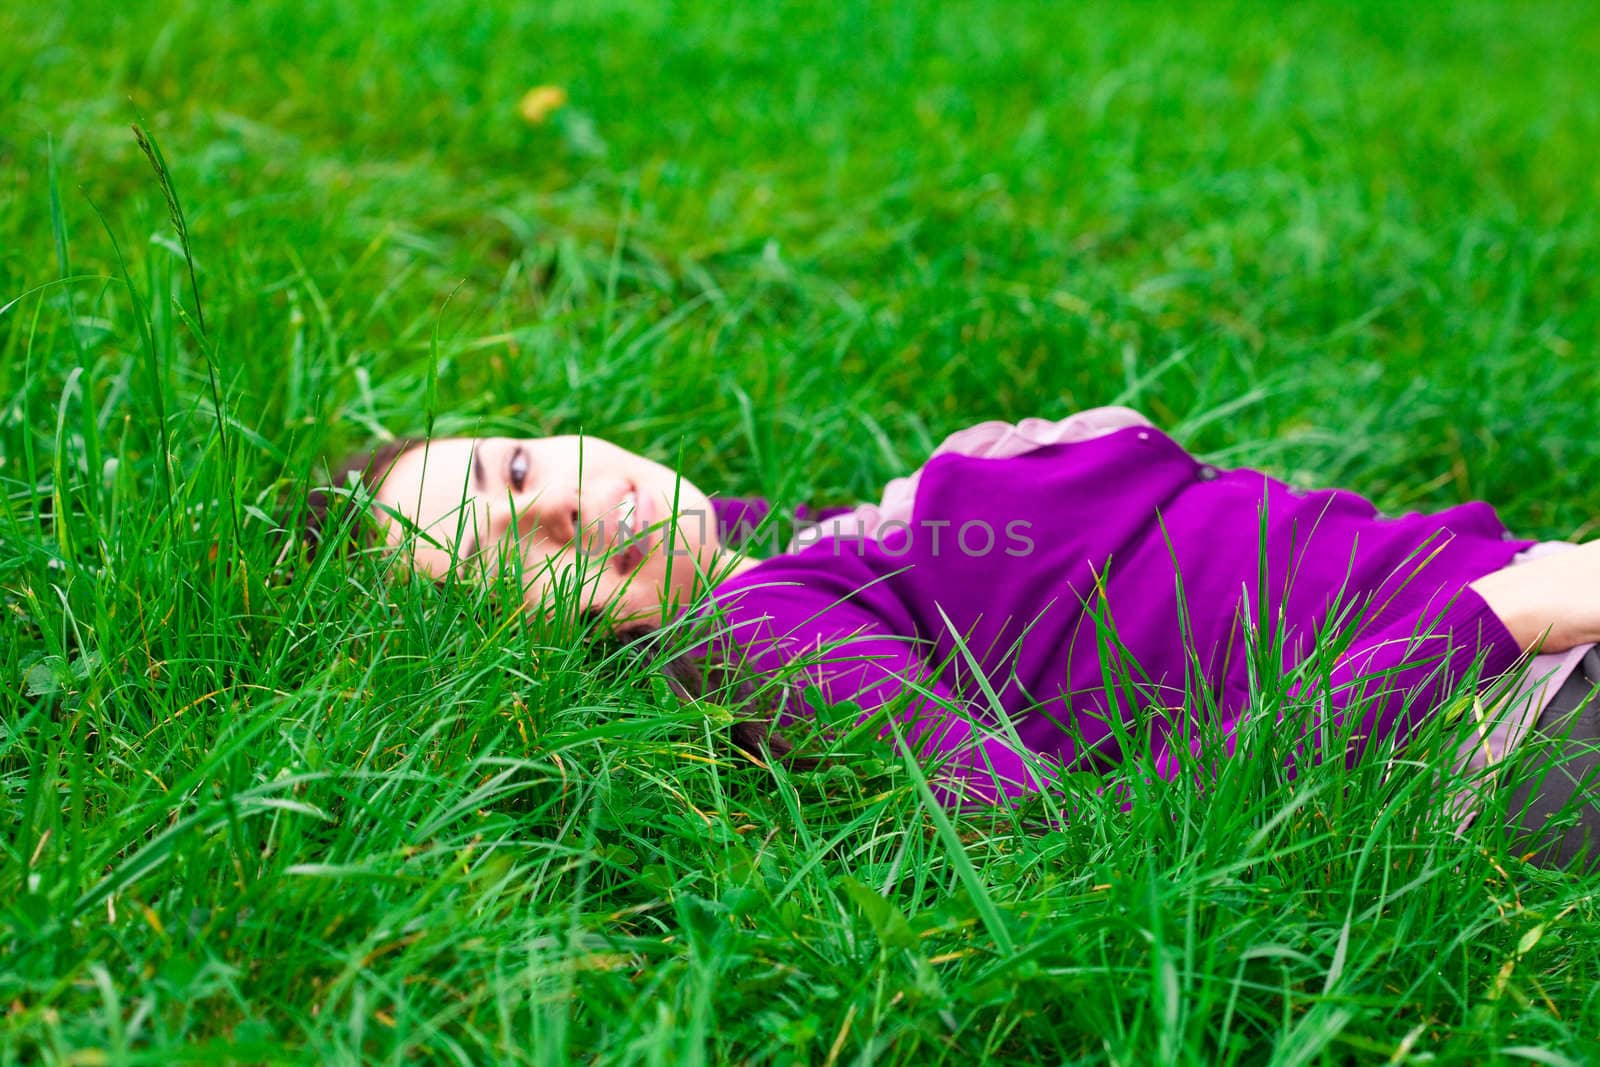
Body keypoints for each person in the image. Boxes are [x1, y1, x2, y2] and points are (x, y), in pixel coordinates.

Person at [307, 408, 1600, 867]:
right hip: (1503, 729)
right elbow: (1098, 848)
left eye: (517, 466)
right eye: (512, 559)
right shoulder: (754, 634)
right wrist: (1488, 621)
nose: (562, 507)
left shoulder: (777, 555)